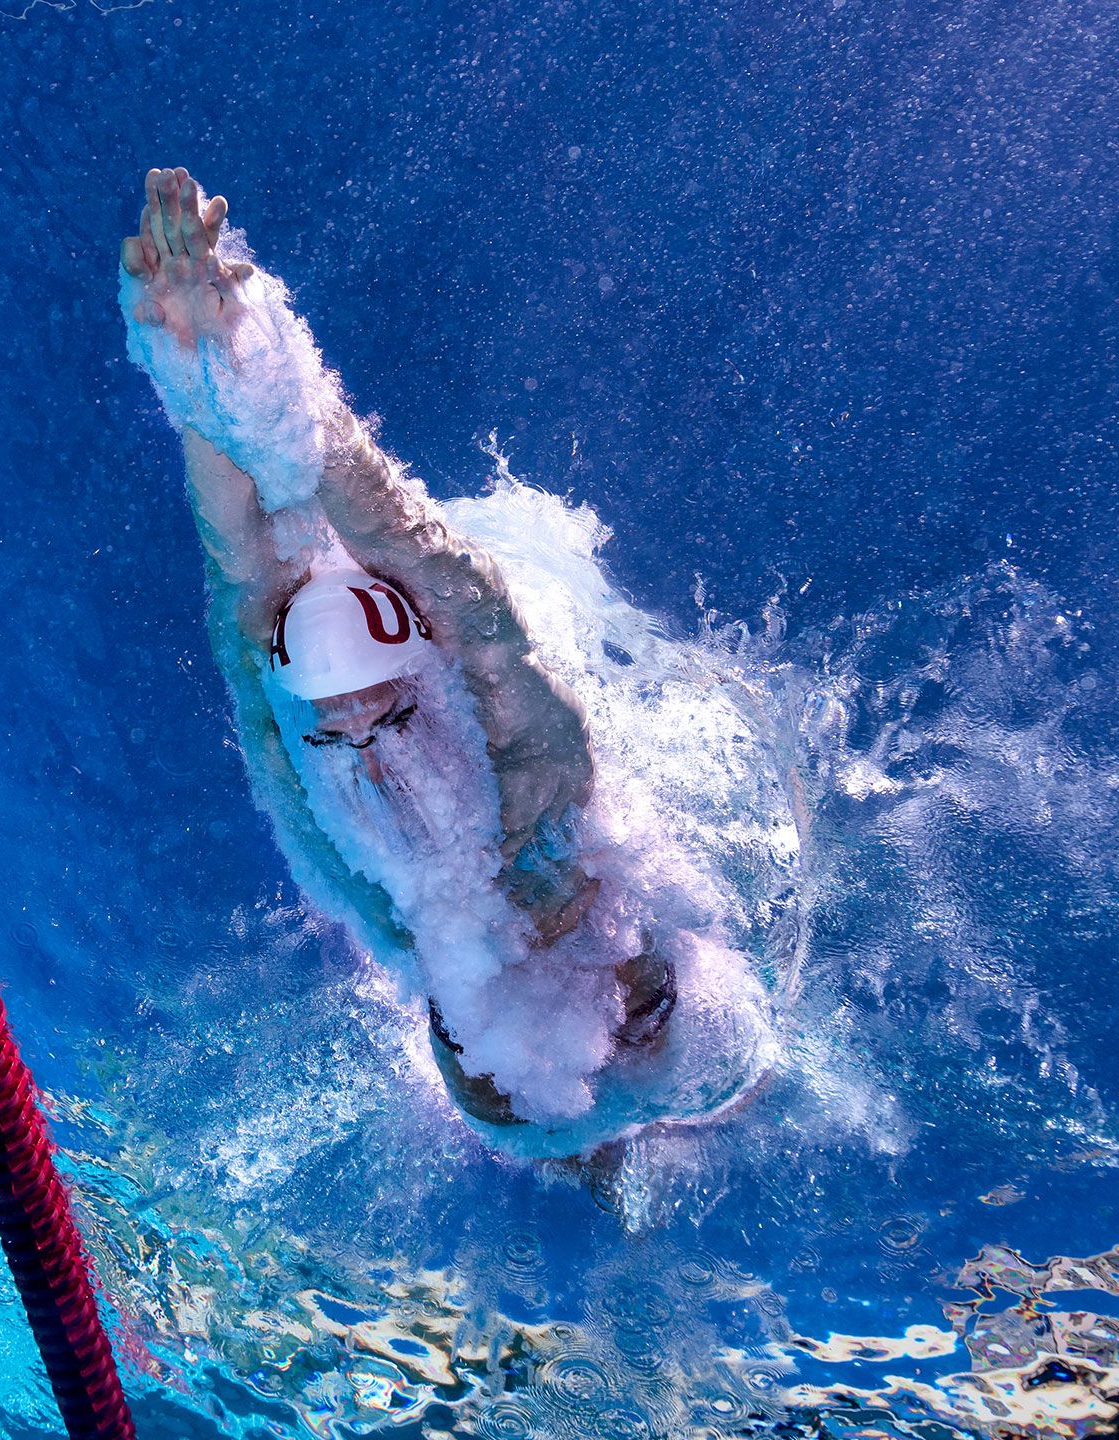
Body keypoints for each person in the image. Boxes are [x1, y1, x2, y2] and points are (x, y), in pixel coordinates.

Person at [120, 168, 755, 1154]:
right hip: (515, 1086)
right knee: (527, 1116)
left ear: (432, 680)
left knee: (666, 1068)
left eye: (386, 717)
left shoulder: (538, 767)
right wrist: (194, 355)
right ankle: (589, 1151)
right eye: (339, 725)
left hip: (600, 998)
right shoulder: (341, 814)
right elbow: (243, 574)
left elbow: (380, 532)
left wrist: (230, 363)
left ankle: (641, 1134)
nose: (367, 750)